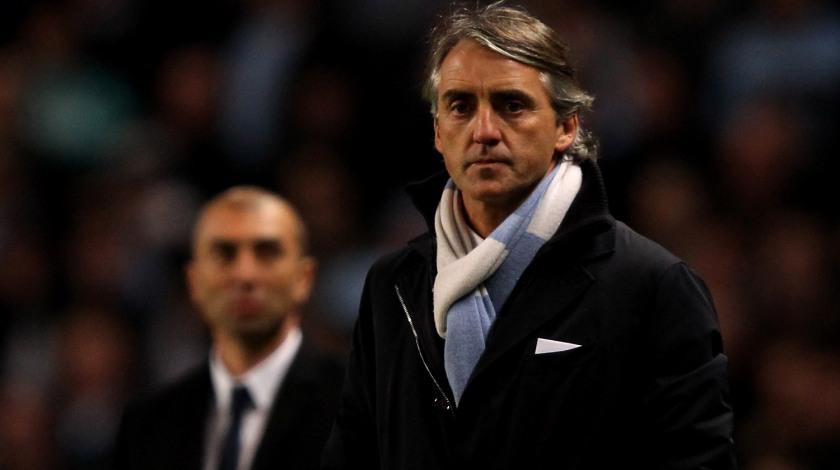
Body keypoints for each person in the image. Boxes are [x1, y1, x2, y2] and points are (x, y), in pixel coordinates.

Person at [321, 3, 736, 469]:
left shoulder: (653, 287)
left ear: (566, 126)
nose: (484, 131)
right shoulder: (392, 286)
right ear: (438, 132)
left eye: (511, 105)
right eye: (460, 106)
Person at [115, 186, 344, 470]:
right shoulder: (148, 424)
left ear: (304, 278)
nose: (245, 275)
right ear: (194, 281)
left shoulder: (361, 406)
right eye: (223, 253)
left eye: (267, 252)